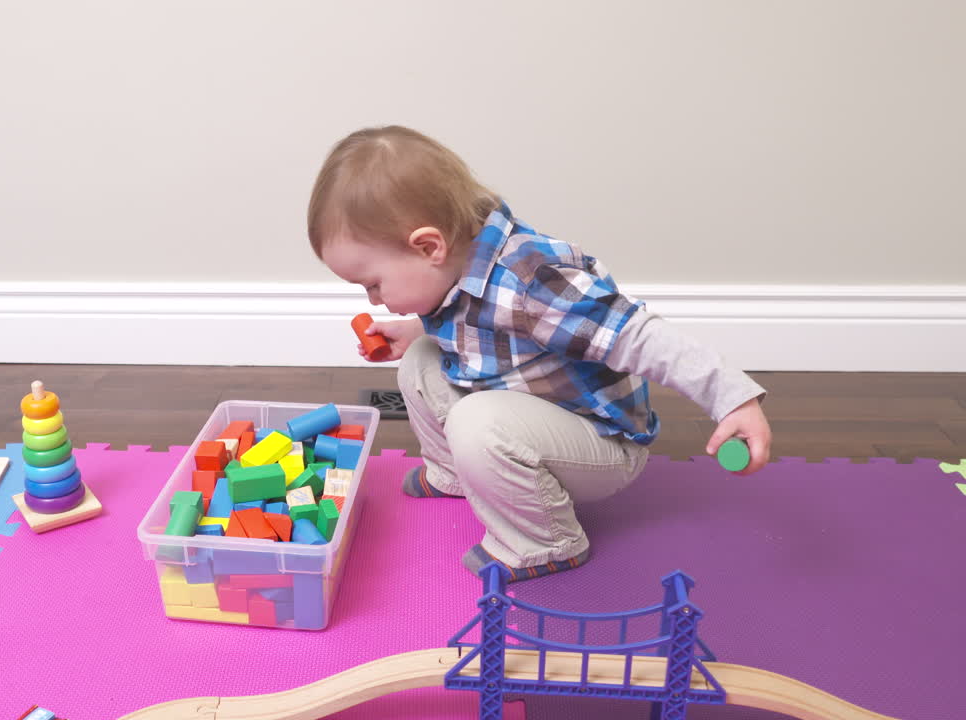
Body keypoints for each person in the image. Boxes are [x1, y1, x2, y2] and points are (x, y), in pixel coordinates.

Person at [307, 125, 772, 583]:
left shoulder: (535, 283)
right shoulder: (457, 264)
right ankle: (452, 474)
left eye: (373, 283)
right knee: (421, 360)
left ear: (429, 246)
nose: (371, 299)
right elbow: (479, 324)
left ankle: (547, 543)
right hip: (533, 412)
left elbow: (642, 337)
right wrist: (414, 329)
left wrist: (731, 397)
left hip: (602, 445)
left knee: (478, 421)